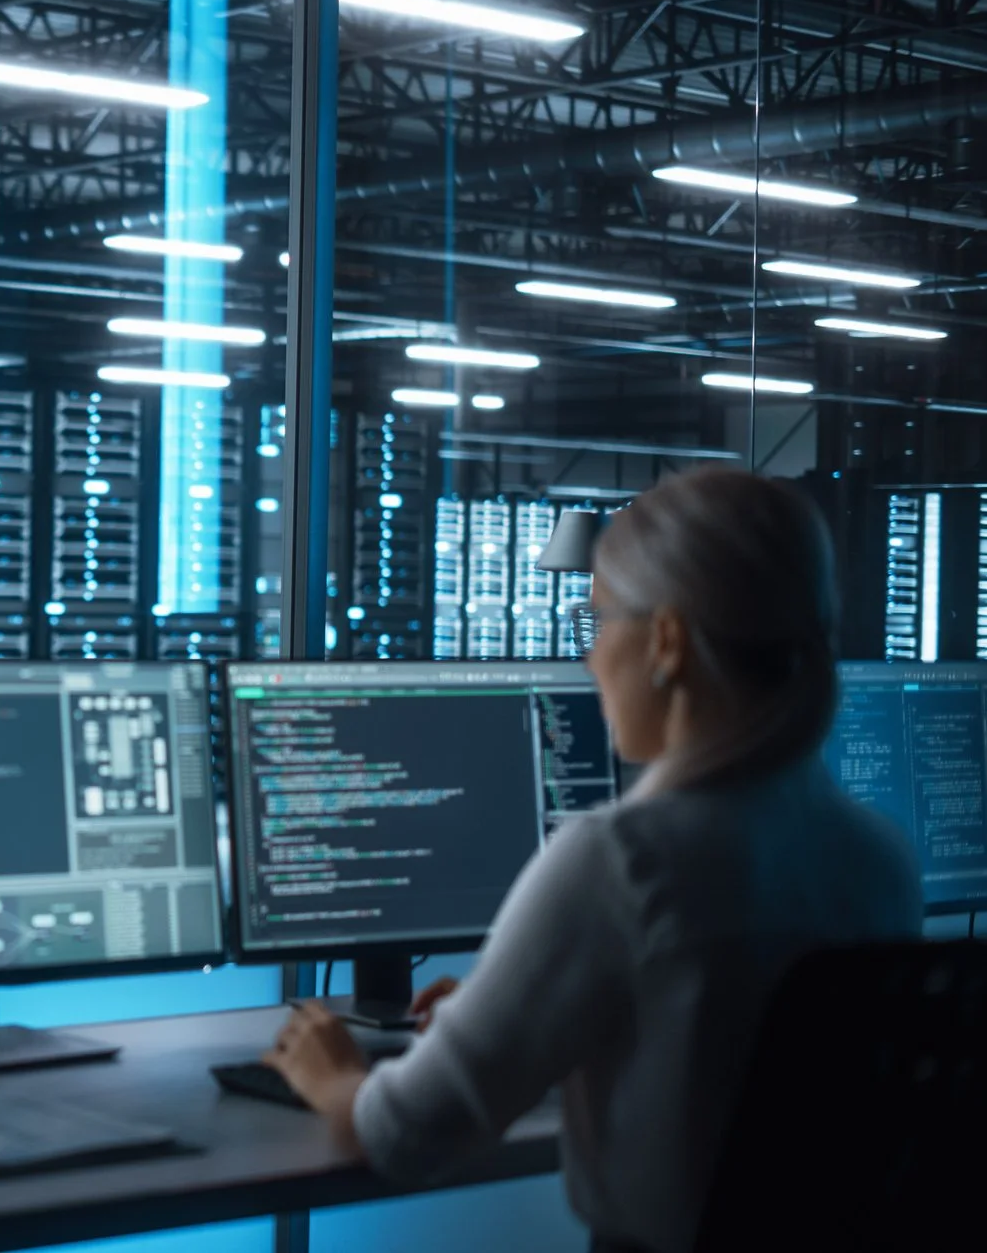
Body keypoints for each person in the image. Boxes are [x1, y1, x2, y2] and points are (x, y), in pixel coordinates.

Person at [262, 466, 921, 1253]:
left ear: (667, 641)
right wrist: (509, 1011)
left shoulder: (620, 860)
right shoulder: (879, 859)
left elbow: (410, 1133)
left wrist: (333, 1075)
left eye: (598, 617)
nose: (587, 657)